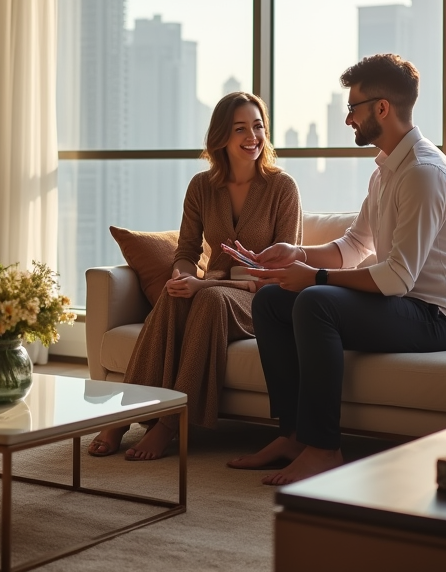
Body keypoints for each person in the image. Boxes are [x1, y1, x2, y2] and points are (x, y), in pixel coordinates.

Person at [228, 53, 446, 485]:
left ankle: (324, 449)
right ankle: (293, 435)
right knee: (270, 301)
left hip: (438, 318)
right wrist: (296, 253)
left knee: (315, 303)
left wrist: (315, 279)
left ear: (382, 108)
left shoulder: (422, 173)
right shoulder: (386, 170)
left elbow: (398, 277)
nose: (348, 120)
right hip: (402, 304)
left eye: (352, 109)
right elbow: (355, 246)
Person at [89, 91, 302, 461]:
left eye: (258, 126)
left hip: (261, 296)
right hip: (212, 289)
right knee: (180, 294)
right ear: (221, 135)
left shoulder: (282, 188)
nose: (253, 136)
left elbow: (280, 270)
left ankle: (169, 425)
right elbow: (187, 252)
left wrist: (203, 283)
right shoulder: (202, 187)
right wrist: (180, 276)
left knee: (209, 297)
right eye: (241, 128)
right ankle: (123, 416)